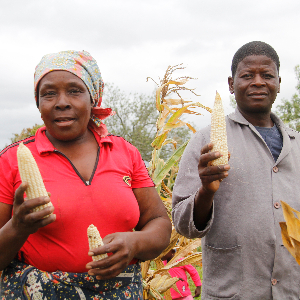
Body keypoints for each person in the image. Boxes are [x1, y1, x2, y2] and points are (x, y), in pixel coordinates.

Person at [0, 50, 172, 299]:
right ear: (38, 104)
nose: (61, 102)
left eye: (74, 90)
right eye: (48, 93)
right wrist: (18, 227)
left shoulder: (124, 152)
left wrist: (134, 243)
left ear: (93, 98)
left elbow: (160, 225)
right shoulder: (11, 159)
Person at [172, 41, 300, 299]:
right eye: (247, 75)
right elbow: (182, 224)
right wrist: (206, 191)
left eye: (267, 75)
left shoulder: (296, 144)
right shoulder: (205, 141)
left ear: (278, 82)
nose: (258, 82)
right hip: (234, 290)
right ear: (232, 84)